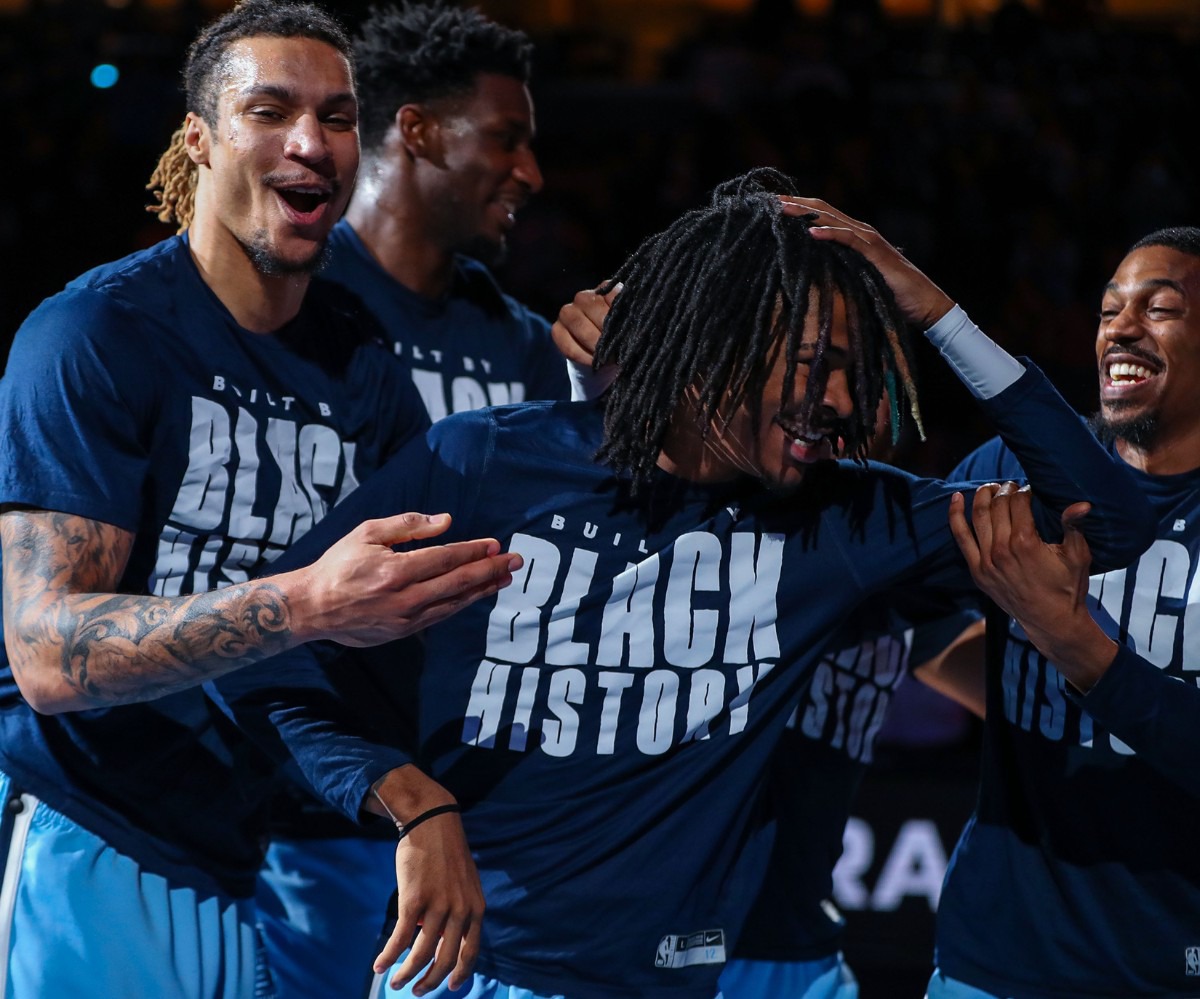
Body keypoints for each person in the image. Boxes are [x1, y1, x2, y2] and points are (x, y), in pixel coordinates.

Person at [214, 171, 1152, 999]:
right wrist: (411, 799)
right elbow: (259, 654)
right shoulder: (485, 462)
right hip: (462, 974)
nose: (841, 405)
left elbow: (1112, 518)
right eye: (817, 365)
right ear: (718, 338)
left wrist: (939, 313)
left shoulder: (846, 521)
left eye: (855, 374)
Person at [0, 3, 520, 996]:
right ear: (198, 140)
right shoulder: (94, 335)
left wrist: (417, 801)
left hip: (253, 849)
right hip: (90, 826)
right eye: (271, 109)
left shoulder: (360, 362)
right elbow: (47, 656)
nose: (308, 142)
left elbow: (358, 663)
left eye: (334, 116)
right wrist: (313, 602)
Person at [255, 5, 569, 996]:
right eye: (507, 139)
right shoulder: (290, 300)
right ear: (420, 131)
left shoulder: (520, 343)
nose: (531, 174)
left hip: (461, 805)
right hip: (300, 799)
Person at [554, 298, 989, 999]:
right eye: (832, 372)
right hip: (660, 945)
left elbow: (1024, 700)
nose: (851, 402)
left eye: (879, 384)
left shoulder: (891, 558)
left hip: (799, 950)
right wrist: (590, 389)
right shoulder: (723, 529)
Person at [926, 226, 1200, 998]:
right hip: (995, 961)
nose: (1121, 325)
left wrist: (1071, 644)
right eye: (1111, 309)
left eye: (1162, 307)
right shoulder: (1020, 466)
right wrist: (1012, 690)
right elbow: (904, 604)